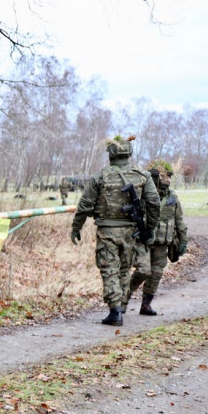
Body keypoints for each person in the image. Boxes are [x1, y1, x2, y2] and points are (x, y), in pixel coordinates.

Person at [70, 135, 160, 326]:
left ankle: (115, 310)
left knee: (110, 269)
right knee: (125, 269)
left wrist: (76, 227)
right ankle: (120, 306)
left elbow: (85, 205)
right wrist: (150, 229)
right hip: (130, 232)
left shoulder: (100, 176)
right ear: (129, 153)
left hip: (107, 231)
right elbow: (154, 204)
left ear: (110, 154)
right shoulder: (143, 176)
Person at [124, 162, 188, 315]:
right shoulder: (144, 194)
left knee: (156, 274)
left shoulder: (173, 197)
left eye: (170, 177)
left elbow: (179, 220)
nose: (168, 180)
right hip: (144, 241)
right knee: (143, 271)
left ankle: (146, 305)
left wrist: (183, 240)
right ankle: (123, 300)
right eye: (165, 177)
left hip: (163, 243)